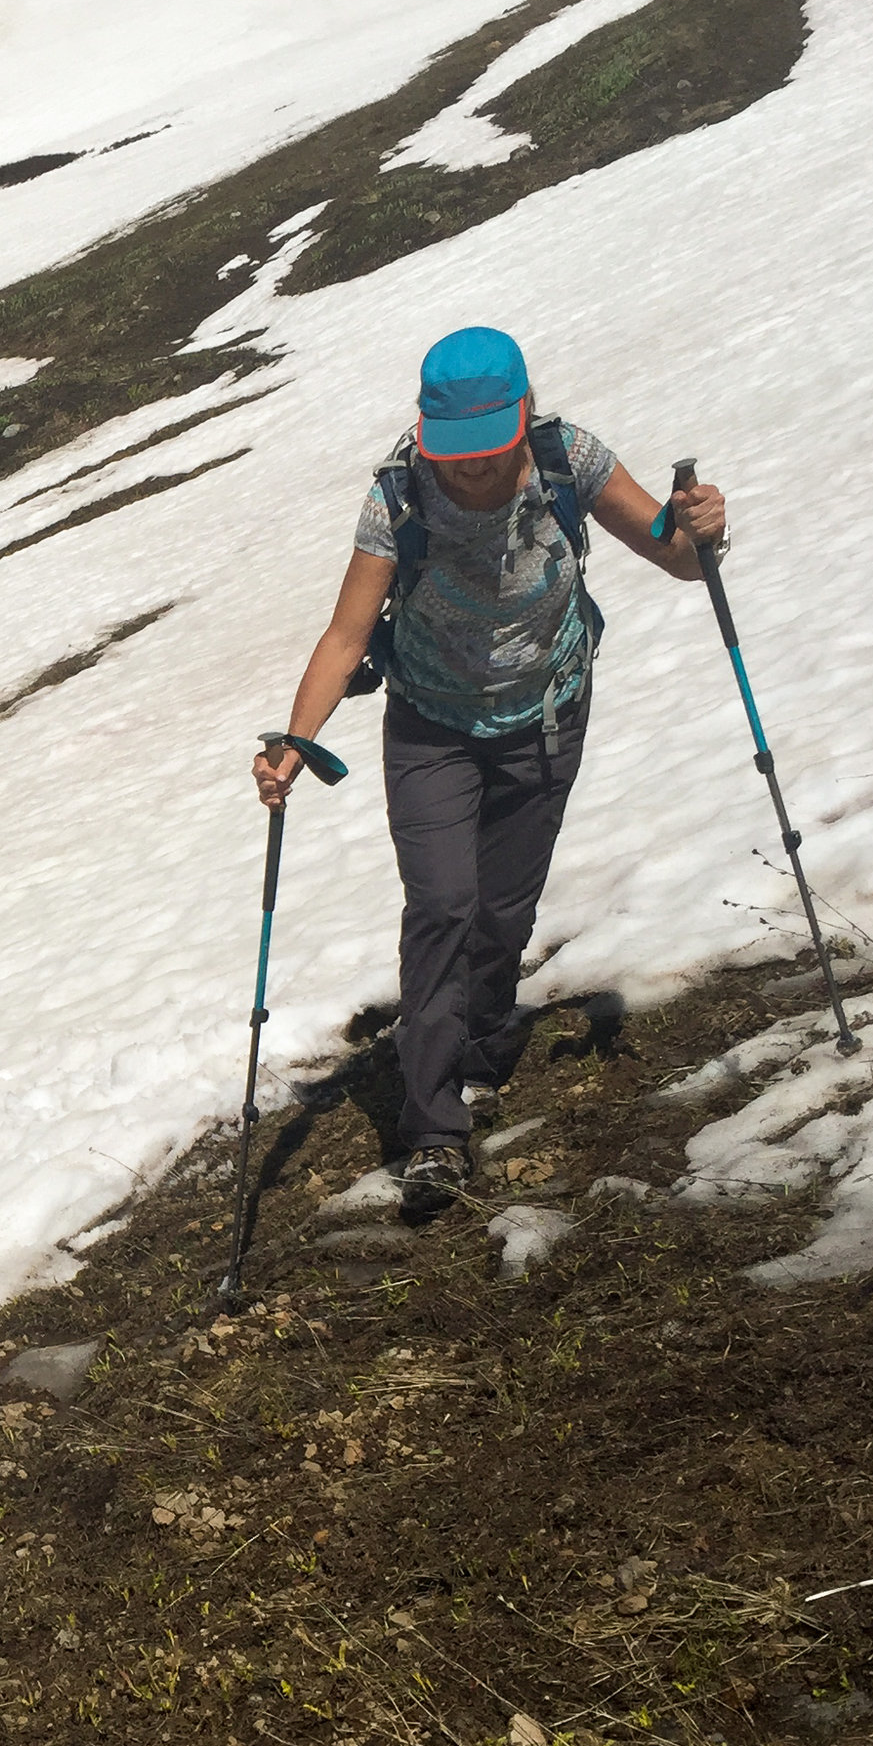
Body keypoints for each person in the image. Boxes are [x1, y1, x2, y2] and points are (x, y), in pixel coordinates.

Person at [253, 326, 727, 1218]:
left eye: (485, 451)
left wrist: (704, 528)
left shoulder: (567, 460)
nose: (468, 471)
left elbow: (674, 553)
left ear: (523, 416)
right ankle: (433, 1126)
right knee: (442, 906)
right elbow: (348, 633)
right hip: (430, 722)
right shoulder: (398, 494)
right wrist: (293, 738)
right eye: (453, 454)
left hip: (546, 714)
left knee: (503, 909)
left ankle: (479, 1046)